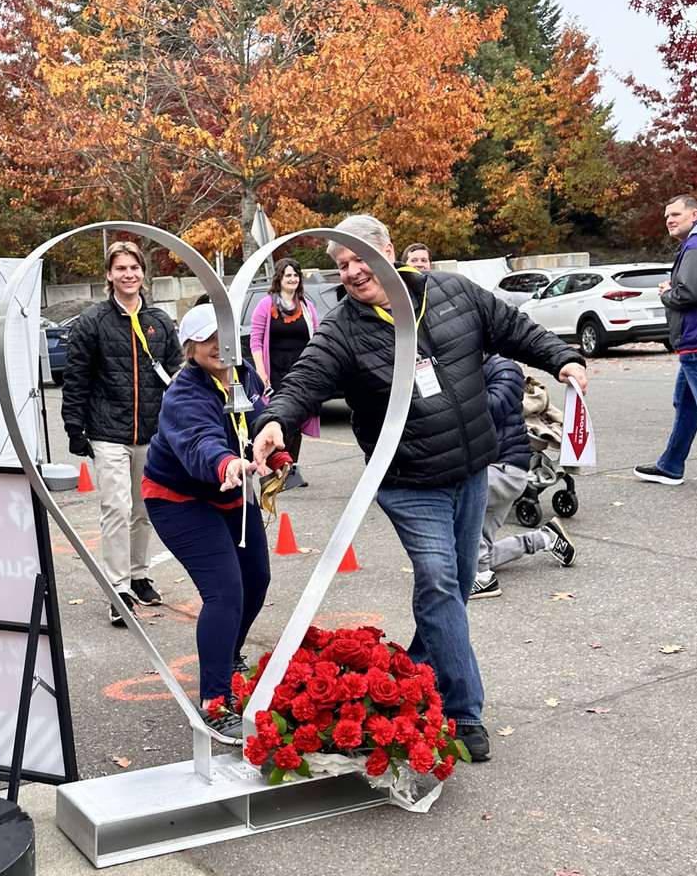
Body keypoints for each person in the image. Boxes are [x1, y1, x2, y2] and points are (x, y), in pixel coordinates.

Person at [251, 214, 587, 763]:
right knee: (438, 581)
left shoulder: (452, 292)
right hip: (407, 481)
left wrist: (562, 358)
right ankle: (465, 712)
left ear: (388, 250)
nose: (355, 271)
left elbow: (514, 328)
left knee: (450, 589)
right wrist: (275, 421)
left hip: (472, 468)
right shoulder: (342, 328)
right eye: (342, 265)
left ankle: (412, 676)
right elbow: (304, 382)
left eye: (362, 257)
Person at [142, 304, 292, 739]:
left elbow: (260, 417)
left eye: (223, 337)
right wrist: (225, 464)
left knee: (257, 580)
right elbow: (198, 441)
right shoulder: (183, 394)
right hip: (179, 499)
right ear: (190, 348)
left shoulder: (242, 377)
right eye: (206, 340)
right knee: (225, 591)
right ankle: (213, 699)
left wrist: (275, 451)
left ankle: (228, 654)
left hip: (231, 493)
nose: (218, 347)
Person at [62, 240, 182, 626]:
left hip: (151, 434)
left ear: (143, 273)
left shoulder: (160, 322)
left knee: (143, 509)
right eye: (121, 268)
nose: (129, 274)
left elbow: (178, 377)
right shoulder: (92, 322)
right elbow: (76, 379)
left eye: (135, 267)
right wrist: (73, 426)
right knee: (116, 509)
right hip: (107, 431)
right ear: (109, 274)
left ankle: (139, 574)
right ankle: (117, 590)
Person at [471, 355, 576, 599]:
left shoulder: (502, 370)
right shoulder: (470, 372)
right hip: (497, 469)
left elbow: (484, 411)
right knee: (473, 555)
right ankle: (544, 538)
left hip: (503, 471)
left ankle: (482, 579)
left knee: (453, 500)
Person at [634, 193, 697, 485]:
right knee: (686, 404)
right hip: (695, 342)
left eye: (675, 214)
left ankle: (670, 465)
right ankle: (670, 465)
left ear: (694, 214)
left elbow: (688, 294)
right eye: (667, 217)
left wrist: (667, 292)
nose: (669, 220)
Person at [249, 258, 320, 489]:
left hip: (302, 371)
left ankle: (290, 469)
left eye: (296, 275)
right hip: (276, 372)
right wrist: (261, 370)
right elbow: (256, 340)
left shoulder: (307, 308)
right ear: (279, 277)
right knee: (279, 419)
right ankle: (281, 467)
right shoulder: (266, 305)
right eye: (288, 275)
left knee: (298, 419)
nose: (292, 279)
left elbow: (318, 338)